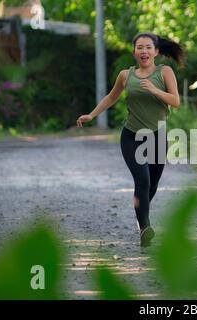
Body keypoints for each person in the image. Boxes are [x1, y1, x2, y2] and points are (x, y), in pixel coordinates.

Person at [76, 32, 184, 247]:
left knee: (151, 185)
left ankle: (140, 215)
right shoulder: (126, 75)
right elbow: (111, 97)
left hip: (157, 136)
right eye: (139, 48)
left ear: (156, 51)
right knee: (142, 180)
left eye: (148, 47)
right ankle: (145, 228)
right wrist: (92, 115)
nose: (144, 51)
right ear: (134, 51)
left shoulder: (165, 72)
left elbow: (175, 101)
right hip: (132, 136)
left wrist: (154, 89)